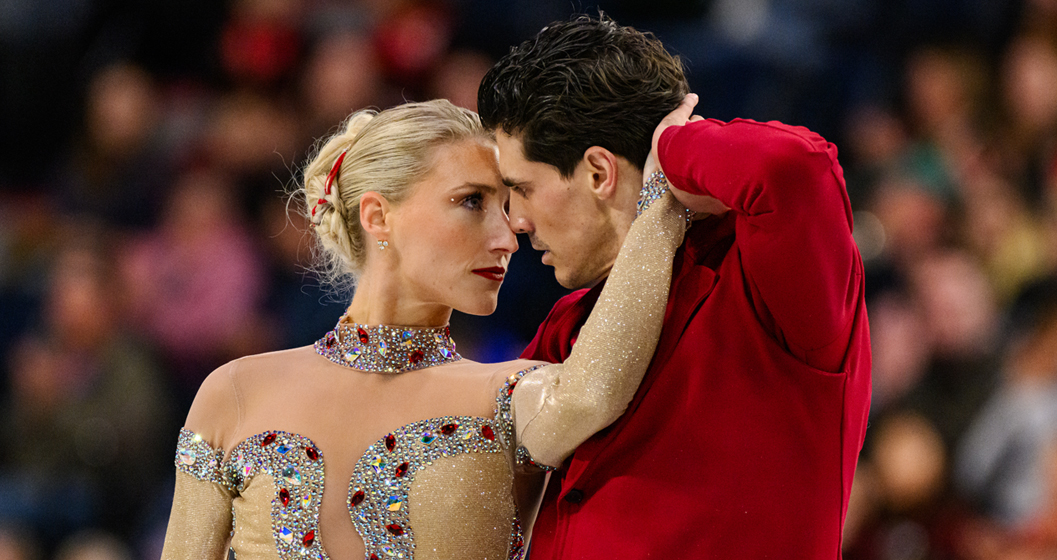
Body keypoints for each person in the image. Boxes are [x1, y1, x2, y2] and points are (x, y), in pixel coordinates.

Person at [158, 98, 691, 559]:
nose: (508, 238)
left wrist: (664, 198)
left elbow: (591, 394)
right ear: (377, 216)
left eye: (507, 207)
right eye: (472, 202)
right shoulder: (234, 394)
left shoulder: (507, 396)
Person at [477, 14, 872, 558]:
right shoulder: (568, 323)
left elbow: (794, 168)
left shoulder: (765, 281)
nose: (515, 222)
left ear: (598, 172)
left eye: (522, 188)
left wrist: (675, 150)